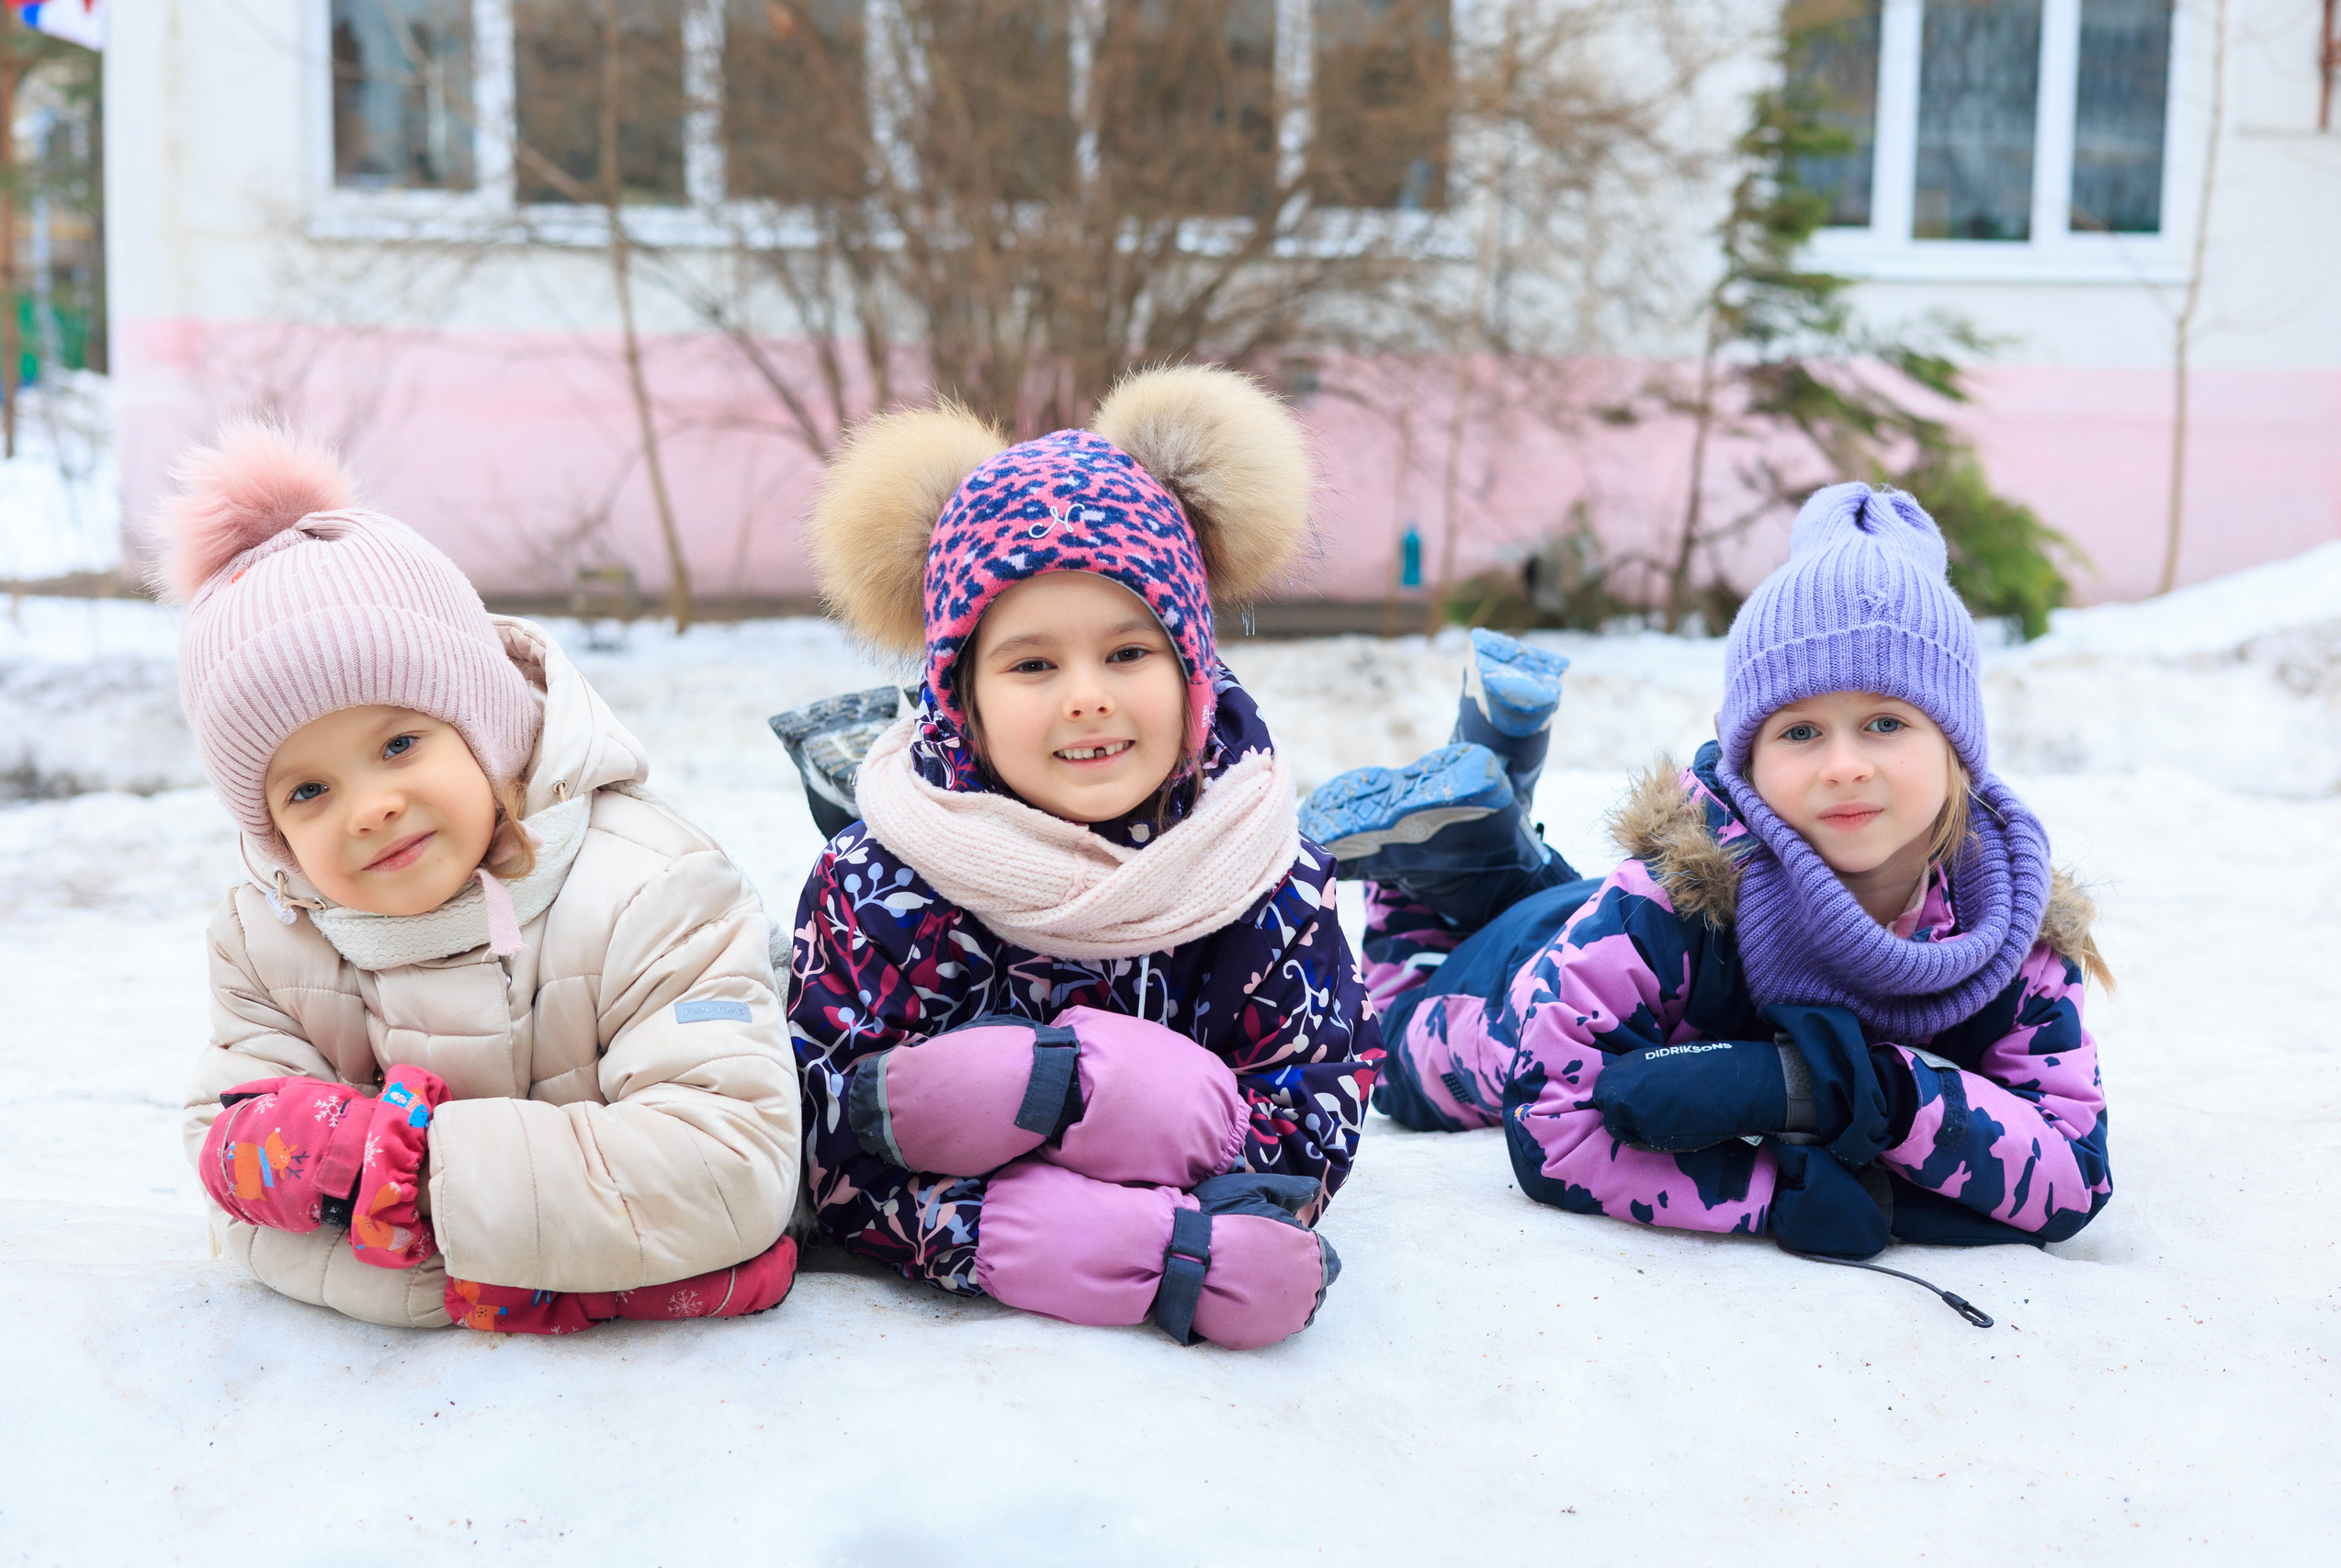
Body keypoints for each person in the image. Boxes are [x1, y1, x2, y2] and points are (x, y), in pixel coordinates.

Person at [1306, 482, 2111, 1278]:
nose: (1844, 765)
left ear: (1957, 746)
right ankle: (1445, 859)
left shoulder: (2005, 925)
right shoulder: (1670, 898)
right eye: (1800, 731)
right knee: (1395, 1038)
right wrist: (1782, 1192)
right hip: (1529, 975)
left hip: (1596, 934)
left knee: (1543, 908)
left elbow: (2073, 1167)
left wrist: (1859, 1092)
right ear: (1746, 762)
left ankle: (1487, 827)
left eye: (1885, 722)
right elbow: (1552, 1122)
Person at [786, 366, 1381, 1349]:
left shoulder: (1266, 875)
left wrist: (1112, 1105)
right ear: (960, 695)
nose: (1087, 696)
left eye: (1128, 653)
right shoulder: (877, 887)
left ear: (1192, 667)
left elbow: (1312, 1114)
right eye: (1032, 664)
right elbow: (827, 1142)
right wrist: (1030, 1232)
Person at [169, 423, 802, 1333]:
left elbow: (729, 1165)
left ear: (487, 725)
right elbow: (232, 1182)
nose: (369, 808)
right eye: (308, 790)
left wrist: (413, 1183)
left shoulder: (654, 891)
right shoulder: (270, 942)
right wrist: (485, 1279)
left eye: (399, 743)